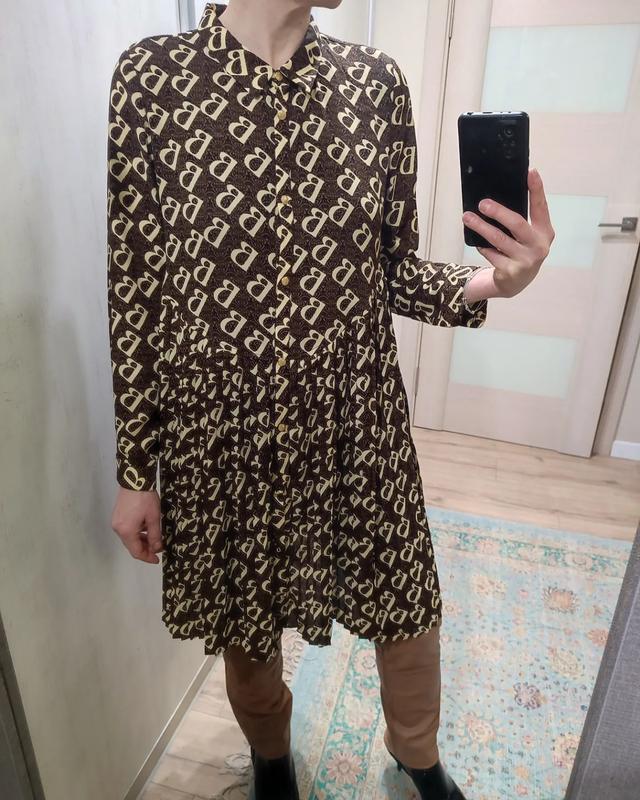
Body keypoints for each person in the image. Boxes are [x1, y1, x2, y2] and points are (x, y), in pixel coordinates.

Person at [106, 1, 554, 798]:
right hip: (223, 430)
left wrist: (497, 280)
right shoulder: (153, 80)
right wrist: (137, 470)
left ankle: (418, 758)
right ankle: (272, 759)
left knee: (406, 604)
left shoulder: (374, 84)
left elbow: (396, 270)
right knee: (246, 624)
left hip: (358, 417)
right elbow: (135, 289)